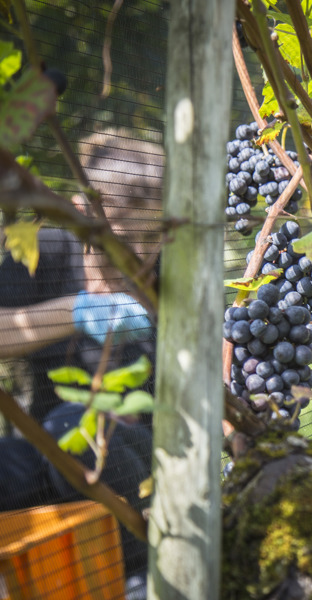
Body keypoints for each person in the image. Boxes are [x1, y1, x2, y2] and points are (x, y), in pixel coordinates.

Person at [0, 130, 163, 597]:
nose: (139, 254)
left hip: (141, 451)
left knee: (76, 427)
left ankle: (138, 576)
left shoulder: (172, 270)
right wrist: (75, 311)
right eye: (122, 237)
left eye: (152, 237)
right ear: (82, 214)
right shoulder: (40, 251)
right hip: (47, 451)